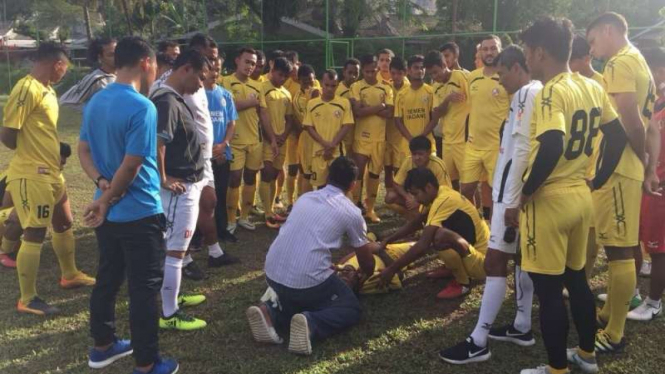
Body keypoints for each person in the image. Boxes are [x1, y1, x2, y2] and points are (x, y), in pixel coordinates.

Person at [517, 17, 627, 374]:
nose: (527, 60)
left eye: (527, 53)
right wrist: (597, 180)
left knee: (548, 292)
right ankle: (586, 354)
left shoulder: (551, 90)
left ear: (539, 52)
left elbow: (552, 143)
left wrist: (526, 191)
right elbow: (618, 135)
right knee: (576, 280)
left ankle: (555, 369)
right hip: (581, 196)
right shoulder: (592, 86)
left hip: (549, 201)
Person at [79, 36, 178, 374]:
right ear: (147, 63)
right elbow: (133, 163)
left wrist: (100, 185)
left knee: (107, 277)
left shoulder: (96, 102)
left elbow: (83, 150)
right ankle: (148, 364)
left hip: (109, 214)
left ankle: (103, 346)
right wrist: (107, 198)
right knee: (143, 289)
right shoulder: (142, 106)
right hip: (139, 213)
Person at [439, 45, 541, 365]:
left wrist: (512, 200)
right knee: (522, 259)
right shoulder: (535, 93)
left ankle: (478, 340)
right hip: (516, 195)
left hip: (511, 197)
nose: (500, 81)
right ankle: (522, 325)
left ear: (516, 67)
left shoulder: (527, 94)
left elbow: (525, 153)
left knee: (495, 264)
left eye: (502, 74)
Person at [1, 42, 95, 316]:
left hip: (53, 173)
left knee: (64, 222)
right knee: (35, 232)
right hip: (32, 174)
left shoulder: (48, 91)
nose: (65, 73)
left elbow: (41, 131)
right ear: (57, 64)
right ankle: (27, 298)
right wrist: (34, 156)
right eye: (65, 68)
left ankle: (70, 275)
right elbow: (7, 134)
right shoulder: (26, 87)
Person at [246, 156, 375, 355]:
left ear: (327, 176)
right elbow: (366, 260)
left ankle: (269, 312)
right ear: (353, 185)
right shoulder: (352, 212)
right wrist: (365, 274)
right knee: (350, 307)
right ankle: (311, 324)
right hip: (307, 283)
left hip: (272, 275)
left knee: (298, 294)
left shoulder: (304, 197)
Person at [587, 12, 657, 353]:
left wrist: (642, 161)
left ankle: (613, 334)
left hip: (618, 167)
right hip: (628, 168)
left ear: (608, 30)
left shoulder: (619, 63)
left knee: (618, 252)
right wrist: (649, 166)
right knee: (622, 247)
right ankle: (609, 314)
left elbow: (633, 123)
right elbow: (651, 126)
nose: (594, 49)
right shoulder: (641, 62)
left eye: (593, 41)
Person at [152, 34, 225, 280]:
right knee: (180, 219)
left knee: (207, 202)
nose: (213, 63)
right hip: (182, 164)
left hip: (202, 157)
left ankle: (212, 253)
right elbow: (159, 137)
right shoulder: (167, 91)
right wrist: (163, 175)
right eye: (209, 56)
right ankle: (181, 263)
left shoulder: (196, 79)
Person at [151, 49, 210, 331]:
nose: (201, 84)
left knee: (176, 248)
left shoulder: (174, 98)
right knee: (175, 250)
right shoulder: (166, 101)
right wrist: (163, 178)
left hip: (188, 184)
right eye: (200, 77)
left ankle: (171, 297)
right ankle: (169, 313)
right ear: (186, 69)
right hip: (178, 189)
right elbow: (157, 144)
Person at [379, 168, 487, 299]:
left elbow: (423, 245)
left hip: (483, 265)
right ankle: (453, 269)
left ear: (428, 187)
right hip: (474, 252)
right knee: (437, 233)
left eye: (416, 194)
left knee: (439, 236)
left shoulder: (443, 200)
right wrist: (389, 239)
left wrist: (391, 270)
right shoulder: (437, 194)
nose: (415, 199)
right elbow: (417, 223)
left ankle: (463, 283)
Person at [628, 47, 665, 321]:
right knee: (641, 240)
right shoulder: (656, 104)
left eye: (648, 72)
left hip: (659, 184)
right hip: (647, 180)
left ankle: (654, 302)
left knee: (659, 248)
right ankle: (632, 292)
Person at [0, 142, 73, 269]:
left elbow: (64, 219)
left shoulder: (55, 176)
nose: (61, 167)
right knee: (24, 213)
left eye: (63, 164)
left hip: (10, 214)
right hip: (3, 214)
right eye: (59, 162)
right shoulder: (24, 173)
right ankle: (4, 252)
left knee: (62, 221)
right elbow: (5, 211)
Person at [568, 35, 605, 284]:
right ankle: (569, 271)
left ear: (586, 58)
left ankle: (584, 275)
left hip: (595, 165)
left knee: (591, 226)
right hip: (572, 165)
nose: (569, 65)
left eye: (574, 60)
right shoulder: (567, 83)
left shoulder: (602, 84)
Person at [461, 35, 510, 220]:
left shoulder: (506, 77)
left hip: (496, 147)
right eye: (485, 49)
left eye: (493, 48)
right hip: (473, 145)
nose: (489, 52)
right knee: (466, 190)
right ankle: (475, 225)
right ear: (480, 52)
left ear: (500, 50)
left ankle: (497, 230)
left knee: (497, 193)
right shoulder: (472, 77)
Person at [223, 47, 265, 233]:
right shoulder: (225, 82)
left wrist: (271, 138)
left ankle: (245, 217)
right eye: (247, 61)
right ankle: (231, 219)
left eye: (253, 63)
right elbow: (228, 108)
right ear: (237, 60)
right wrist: (250, 102)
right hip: (235, 141)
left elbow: (263, 113)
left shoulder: (259, 86)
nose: (250, 66)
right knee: (233, 179)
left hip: (255, 140)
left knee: (250, 178)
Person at [205, 57, 243, 256]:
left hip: (222, 153)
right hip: (204, 155)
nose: (214, 73)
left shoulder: (225, 95)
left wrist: (224, 145)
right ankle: (200, 235)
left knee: (221, 193)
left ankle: (221, 230)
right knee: (204, 198)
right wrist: (211, 149)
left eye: (218, 69)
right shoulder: (195, 95)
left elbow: (232, 123)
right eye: (211, 69)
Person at [350, 54, 394, 223]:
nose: (370, 74)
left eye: (373, 71)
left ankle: (370, 209)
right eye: (367, 72)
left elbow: (390, 113)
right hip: (362, 137)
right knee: (359, 173)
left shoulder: (386, 88)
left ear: (377, 70)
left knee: (375, 174)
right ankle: (355, 207)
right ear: (363, 71)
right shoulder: (356, 87)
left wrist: (368, 108)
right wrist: (380, 106)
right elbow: (357, 112)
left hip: (379, 138)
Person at [425, 50, 469, 188]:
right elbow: (438, 113)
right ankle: (456, 207)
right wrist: (448, 99)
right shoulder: (436, 87)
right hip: (447, 141)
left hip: (463, 140)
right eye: (431, 74)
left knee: (468, 184)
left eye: (436, 72)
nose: (434, 76)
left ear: (444, 64)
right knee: (451, 181)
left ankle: (473, 209)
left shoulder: (461, 77)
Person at [258, 57, 293, 229]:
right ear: (272, 71)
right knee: (266, 172)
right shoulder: (262, 88)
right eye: (280, 74)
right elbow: (261, 116)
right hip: (267, 140)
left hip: (281, 141)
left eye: (285, 76)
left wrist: (283, 136)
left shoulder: (287, 93)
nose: (282, 78)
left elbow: (290, 119)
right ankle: (267, 212)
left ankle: (271, 209)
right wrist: (271, 137)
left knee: (274, 174)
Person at [304, 69, 354, 188]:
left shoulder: (344, 103)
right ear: (321, 83)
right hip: (318, 152)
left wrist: (332, 145)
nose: (330, 89)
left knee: (338, 187)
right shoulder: (312, 104)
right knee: (321, 187)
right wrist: (325, 144)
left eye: (333, 85)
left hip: (336, 153)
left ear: (337, 84)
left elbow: (347, 125)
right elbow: (308, 127)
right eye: (327, 85)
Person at [385, 136, 451, 219]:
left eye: (420, 154)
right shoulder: (408, 161)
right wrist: (408, 197)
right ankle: (411, 215)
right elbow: (397, 184)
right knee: (390, 197)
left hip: (432, 199)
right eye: (414, 154)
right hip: (414, 196)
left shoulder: (438, 165)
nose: (417, 157)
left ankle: (422, 216)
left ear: (429, 152)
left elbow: (445, 192)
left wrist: (420, 202)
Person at [59, 37, 116, 109]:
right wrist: (94, 111)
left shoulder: (124, 77)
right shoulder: (98, 79)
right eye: (111, 55)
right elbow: (64, 102)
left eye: (119, 52)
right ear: (100, 57)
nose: (117, 57)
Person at [291, 64, 320, 203]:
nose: (309, 83)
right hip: (307, 139)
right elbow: (309, 121)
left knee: (322, 173)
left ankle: (322, 204)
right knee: (306, 173)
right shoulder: (298, 98)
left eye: (311, 80)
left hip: (322, 138)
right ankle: (305, 203)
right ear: (298, 80)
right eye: (305, 81)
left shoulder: (319, 90)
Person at [384, 57, 410, 194]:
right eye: (393, 73)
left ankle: (402, 197)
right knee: (387, 168)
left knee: (399, 170)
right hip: (387, 134)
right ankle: (389, 194)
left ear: (405, 72)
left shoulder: (409, 89)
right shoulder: (387, 87)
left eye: (399, 73)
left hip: (402, 137)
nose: (396, 76)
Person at [336, 58, 360, 155]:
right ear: (344, 72)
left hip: (359, 136)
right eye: (350, 72)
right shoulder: (337, 91)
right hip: (344, 138)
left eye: (356, 73)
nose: (353, 76)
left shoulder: (360, 88)